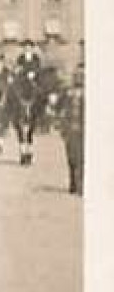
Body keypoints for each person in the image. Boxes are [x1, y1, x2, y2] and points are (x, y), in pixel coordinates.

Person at [58, 63, 84, 196]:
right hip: (70, 128)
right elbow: (60, 106)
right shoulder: (68, 91)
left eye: (82, 75)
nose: (80, 77)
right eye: (77, 75)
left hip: (84, 129)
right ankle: (73, 181)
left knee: (83, 156)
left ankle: (81, 183)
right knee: (71, 157)